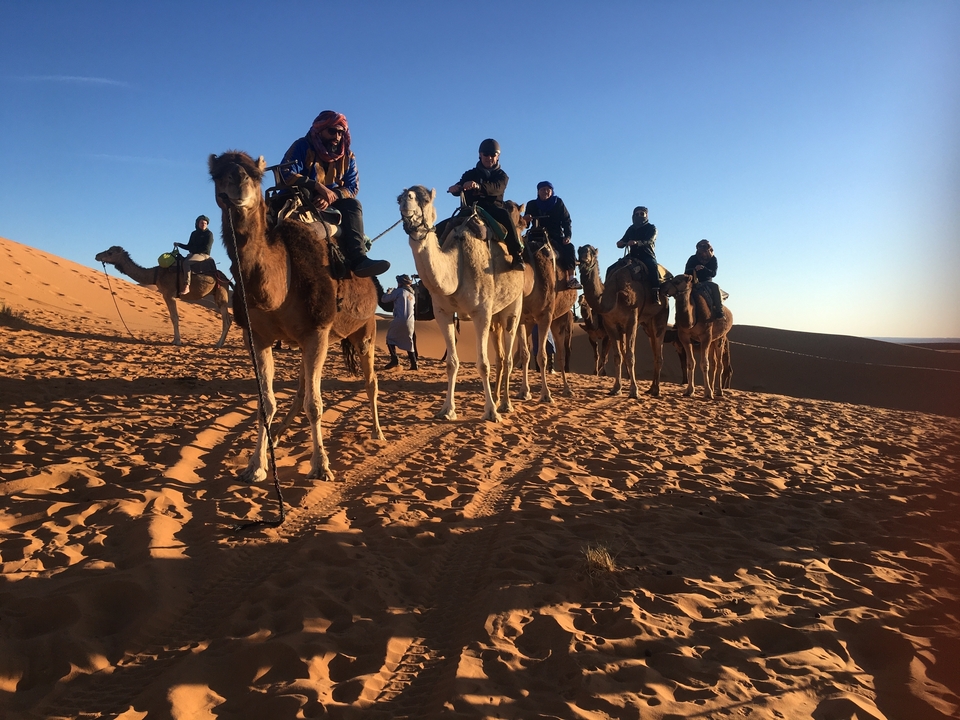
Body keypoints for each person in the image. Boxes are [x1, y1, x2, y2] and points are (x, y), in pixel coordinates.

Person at [279, 110, 389, 278]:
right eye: (332, 131)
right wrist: (318, 187)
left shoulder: (348, 157)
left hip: (332, 200)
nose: (337, 136)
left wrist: (331, 196)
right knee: (302, 192)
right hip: (301, 195)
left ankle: (359, 259)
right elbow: (286, 172)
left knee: (353, 205)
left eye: (340, 132)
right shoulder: (302, 146)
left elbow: (353, 187)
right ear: (320, 130)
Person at [445, 138, 525, 270]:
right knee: (443, 227)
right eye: (486, 154)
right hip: (469, 209)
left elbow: (496, 188)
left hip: (492, 209)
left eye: (493, 155)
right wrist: (456, 188)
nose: (489, 158)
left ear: (498, 156)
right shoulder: (470, 174)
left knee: (505, 216)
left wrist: (478, 186)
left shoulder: (502, 176)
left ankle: (517, 255)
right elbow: (461, 185)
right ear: (480, 155)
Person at [523, 181, 579, 289]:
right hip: (535, 235)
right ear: (538, 192)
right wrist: (525, 219)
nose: (545, 191)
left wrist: (568, 236)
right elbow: (526, 224)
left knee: (569, 248)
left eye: (547, 189)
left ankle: (571, 278)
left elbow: (566, 220)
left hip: (555, 235)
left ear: (551, 191)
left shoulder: (558, 203)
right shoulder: (532, 204)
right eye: (542, 189)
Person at [616, 206, 661, 304]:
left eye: (642, 214)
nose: (639, 216)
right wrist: (620, 243)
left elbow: (650, 240)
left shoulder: (651, 228)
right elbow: (624, 240)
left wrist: (637, 242)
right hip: (632, 256)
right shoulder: (631, 229)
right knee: (613, 268)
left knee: (653, 267)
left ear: (646, 215)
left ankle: (655, 293)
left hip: (647, 255)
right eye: (637, 214)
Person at [381, 274, 418, 370]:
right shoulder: (412, 295)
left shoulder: (399, 291)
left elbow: (384, 299)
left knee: (390, 339)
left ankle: (394, 359)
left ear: (401, 283)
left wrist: (389, 292)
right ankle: (414, 364)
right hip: (411, 321)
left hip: (399, 319)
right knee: (409, 342)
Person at [684, 239, 724, 320]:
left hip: (706, 282)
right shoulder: (693, 258)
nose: (702, 248)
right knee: (680, 293)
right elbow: (686, 271)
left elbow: (713, 273)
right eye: (700, 246)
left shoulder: (713, 259)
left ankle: (719, 311)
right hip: (692, 282)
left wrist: (703, 268)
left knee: (715, 287)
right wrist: (694, 269)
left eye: (704, 246)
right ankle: (678, 319)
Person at [173, 215, 214, 294]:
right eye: (202, 223)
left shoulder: (209, 234)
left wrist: (193, 251)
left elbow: (206, 248)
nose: (203, 224)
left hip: (203, 255)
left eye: (205, 223)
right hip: (193, 254)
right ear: (197, 223)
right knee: (178, 262)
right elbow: (189, 246)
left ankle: (186, 285)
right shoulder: (194, 233)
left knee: (186, 263)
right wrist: (179, 244)